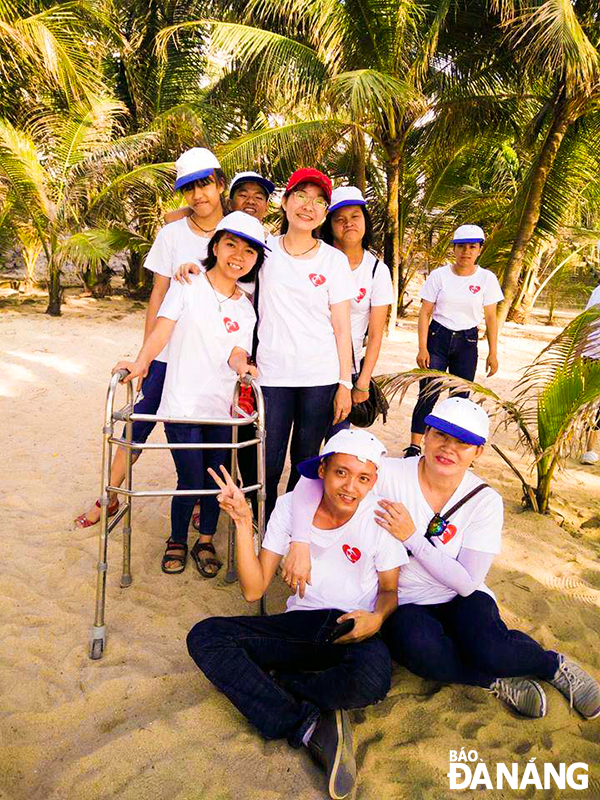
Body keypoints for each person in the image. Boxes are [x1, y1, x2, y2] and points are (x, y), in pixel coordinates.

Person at [282, 398, 600, 720]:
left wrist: (411, 537)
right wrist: (299, 542)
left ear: (478, 452)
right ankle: (491, 681)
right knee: (419, 651)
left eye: (463, 443)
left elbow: (466, 583)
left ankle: (552, 666)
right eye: (441, 436)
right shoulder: (389, 473)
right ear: (426, 434)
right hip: (404, 600)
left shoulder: (484, 501)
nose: (448, 449)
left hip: (459, 594)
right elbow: (312, 481)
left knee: (490, 648)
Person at [186, 429, 409, 799]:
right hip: (301, 625)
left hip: (351, 627)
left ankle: (284, 687)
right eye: (341, 473)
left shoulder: (379, 517)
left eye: (363, 478)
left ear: (373, 482)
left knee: (374, 679)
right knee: (205, 637)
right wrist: (243, 522)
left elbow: (389, 590)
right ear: (323, 470)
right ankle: (307, 724)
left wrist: (377, 619)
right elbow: (253, 589)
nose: (350, 486)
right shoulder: (292, 507)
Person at [75, 147, 226, 528]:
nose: (198, 196)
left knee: (214, 433)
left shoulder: (237, 229)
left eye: (205, 184)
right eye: (189, 189)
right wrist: (145, 355)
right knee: (138, 423)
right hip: (168, 352)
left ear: (221, 183)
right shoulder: (172, 233)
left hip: (216, 355)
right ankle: (108, 496)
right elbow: (157, 295)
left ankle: (201, 505)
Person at [111, 212, 268, 575]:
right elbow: (163, 330)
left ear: (256, 260)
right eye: (231, 244)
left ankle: (206, 540)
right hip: (182, 404)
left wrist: (243, 366)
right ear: (215, 246)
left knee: (217, 478)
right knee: (191, 478)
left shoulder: (245, 307)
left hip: (219, 407)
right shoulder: (188, 284)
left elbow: (236, 351)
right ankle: (177, 539)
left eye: (248, 251)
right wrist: (140, 363)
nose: (238, 256)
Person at [257, 168, 355, 521]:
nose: (308, 206)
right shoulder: (263, 249)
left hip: (320, 377)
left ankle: (290, 527)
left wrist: (345, 383)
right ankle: (261, 523)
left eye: (319, 200)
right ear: (284, 202)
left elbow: (342, 328)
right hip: (271, 375)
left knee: (305, 462)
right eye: (301, 195)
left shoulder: (334, 260)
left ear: (325, 213)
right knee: (265, 460)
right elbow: (228, 274)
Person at [403, 224, 503, 459]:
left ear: (479, 249)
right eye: (460, 247)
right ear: (454, 249)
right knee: (428, 393)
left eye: (472, 247)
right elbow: (425, 312)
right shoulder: (439, 276)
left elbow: (490, 317)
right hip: (438, 337)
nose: (466, 252)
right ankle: (415, 445)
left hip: (467, 341)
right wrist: (422, 347)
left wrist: (493, 353)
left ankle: (453, 446)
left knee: (460, 397)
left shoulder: (486, 279)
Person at [320, 186, 394, 434]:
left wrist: (362, 381)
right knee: (305, 444)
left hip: (347, 370)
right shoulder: (317, 259)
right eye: (339, 219)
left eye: (355, 216)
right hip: (309, 364)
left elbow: (375, 334)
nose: (348, 223)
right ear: (329, 225)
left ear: (365, 220)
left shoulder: (376, 271)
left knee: (337, 440)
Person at [580, 281, 600, 464]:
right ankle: (589, 448)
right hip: (594, 355)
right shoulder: (598, 292)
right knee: (592, 404)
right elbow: (585, 320)